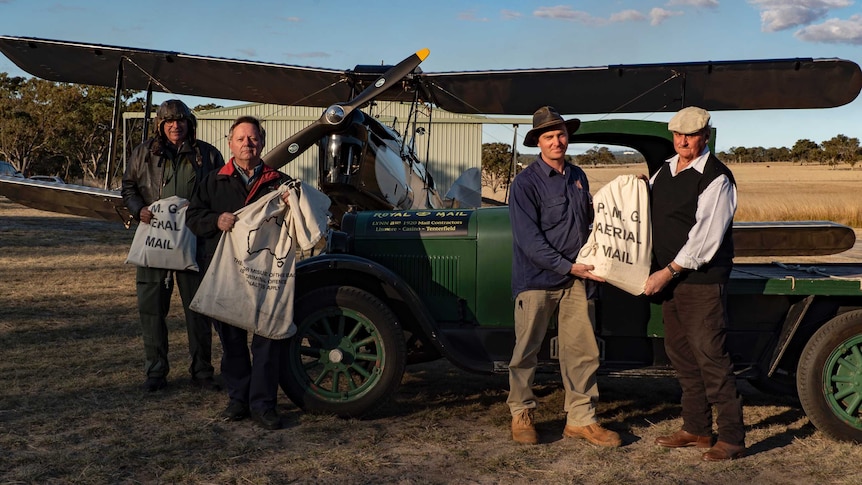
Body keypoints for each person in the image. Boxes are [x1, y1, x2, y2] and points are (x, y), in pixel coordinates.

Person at [507, 106, 621, 447]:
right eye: (548, 136)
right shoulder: (526, 184)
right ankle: (522, 413)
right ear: (538, 143)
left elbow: (591, 221)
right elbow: (529, 241)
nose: (556, 141)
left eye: (560, 135)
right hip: (538, 278)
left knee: (581, 351)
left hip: (577, 278)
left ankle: (581, 419)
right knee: (526, 351)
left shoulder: (578, 177)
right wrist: (567, 266)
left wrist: (631, 192)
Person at [643, 106, 745, 461]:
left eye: (691, 135)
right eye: (678, 135)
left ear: (706, 135)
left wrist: (666, 272)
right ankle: (697, 428)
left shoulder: (717, 177)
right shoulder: (665, 170)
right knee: (682, 356)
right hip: (670, 280)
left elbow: (704, 242)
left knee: (711, 358)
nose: (683, 141)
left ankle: (731, 437)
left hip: (699, 282)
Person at [186, 116, 292, 430]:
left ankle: (264, 405)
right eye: (241, 138)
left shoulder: (279, 182)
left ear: (262, 142)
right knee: (231, 339)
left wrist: (292, 202)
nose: (247, 144)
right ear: (230, 143)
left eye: (253, 138)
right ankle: (238, 399)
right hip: (225, 272)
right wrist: (215, 221)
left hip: (265, 276)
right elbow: (193, 216)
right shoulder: (213, 180)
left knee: (266, 341)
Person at [121, 99, 224, 392]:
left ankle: (202, 370)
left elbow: (220, 190)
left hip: (195, 243)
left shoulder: (208, 155)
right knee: (151, 309)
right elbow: (128, 186)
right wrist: (137, 208)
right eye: (168, 121)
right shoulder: (143, 153)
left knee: (199, 310)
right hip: (155, 241)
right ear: (160, 125)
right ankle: (156, 371)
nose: (175, 126)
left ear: (190, 123)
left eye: (180, 121)